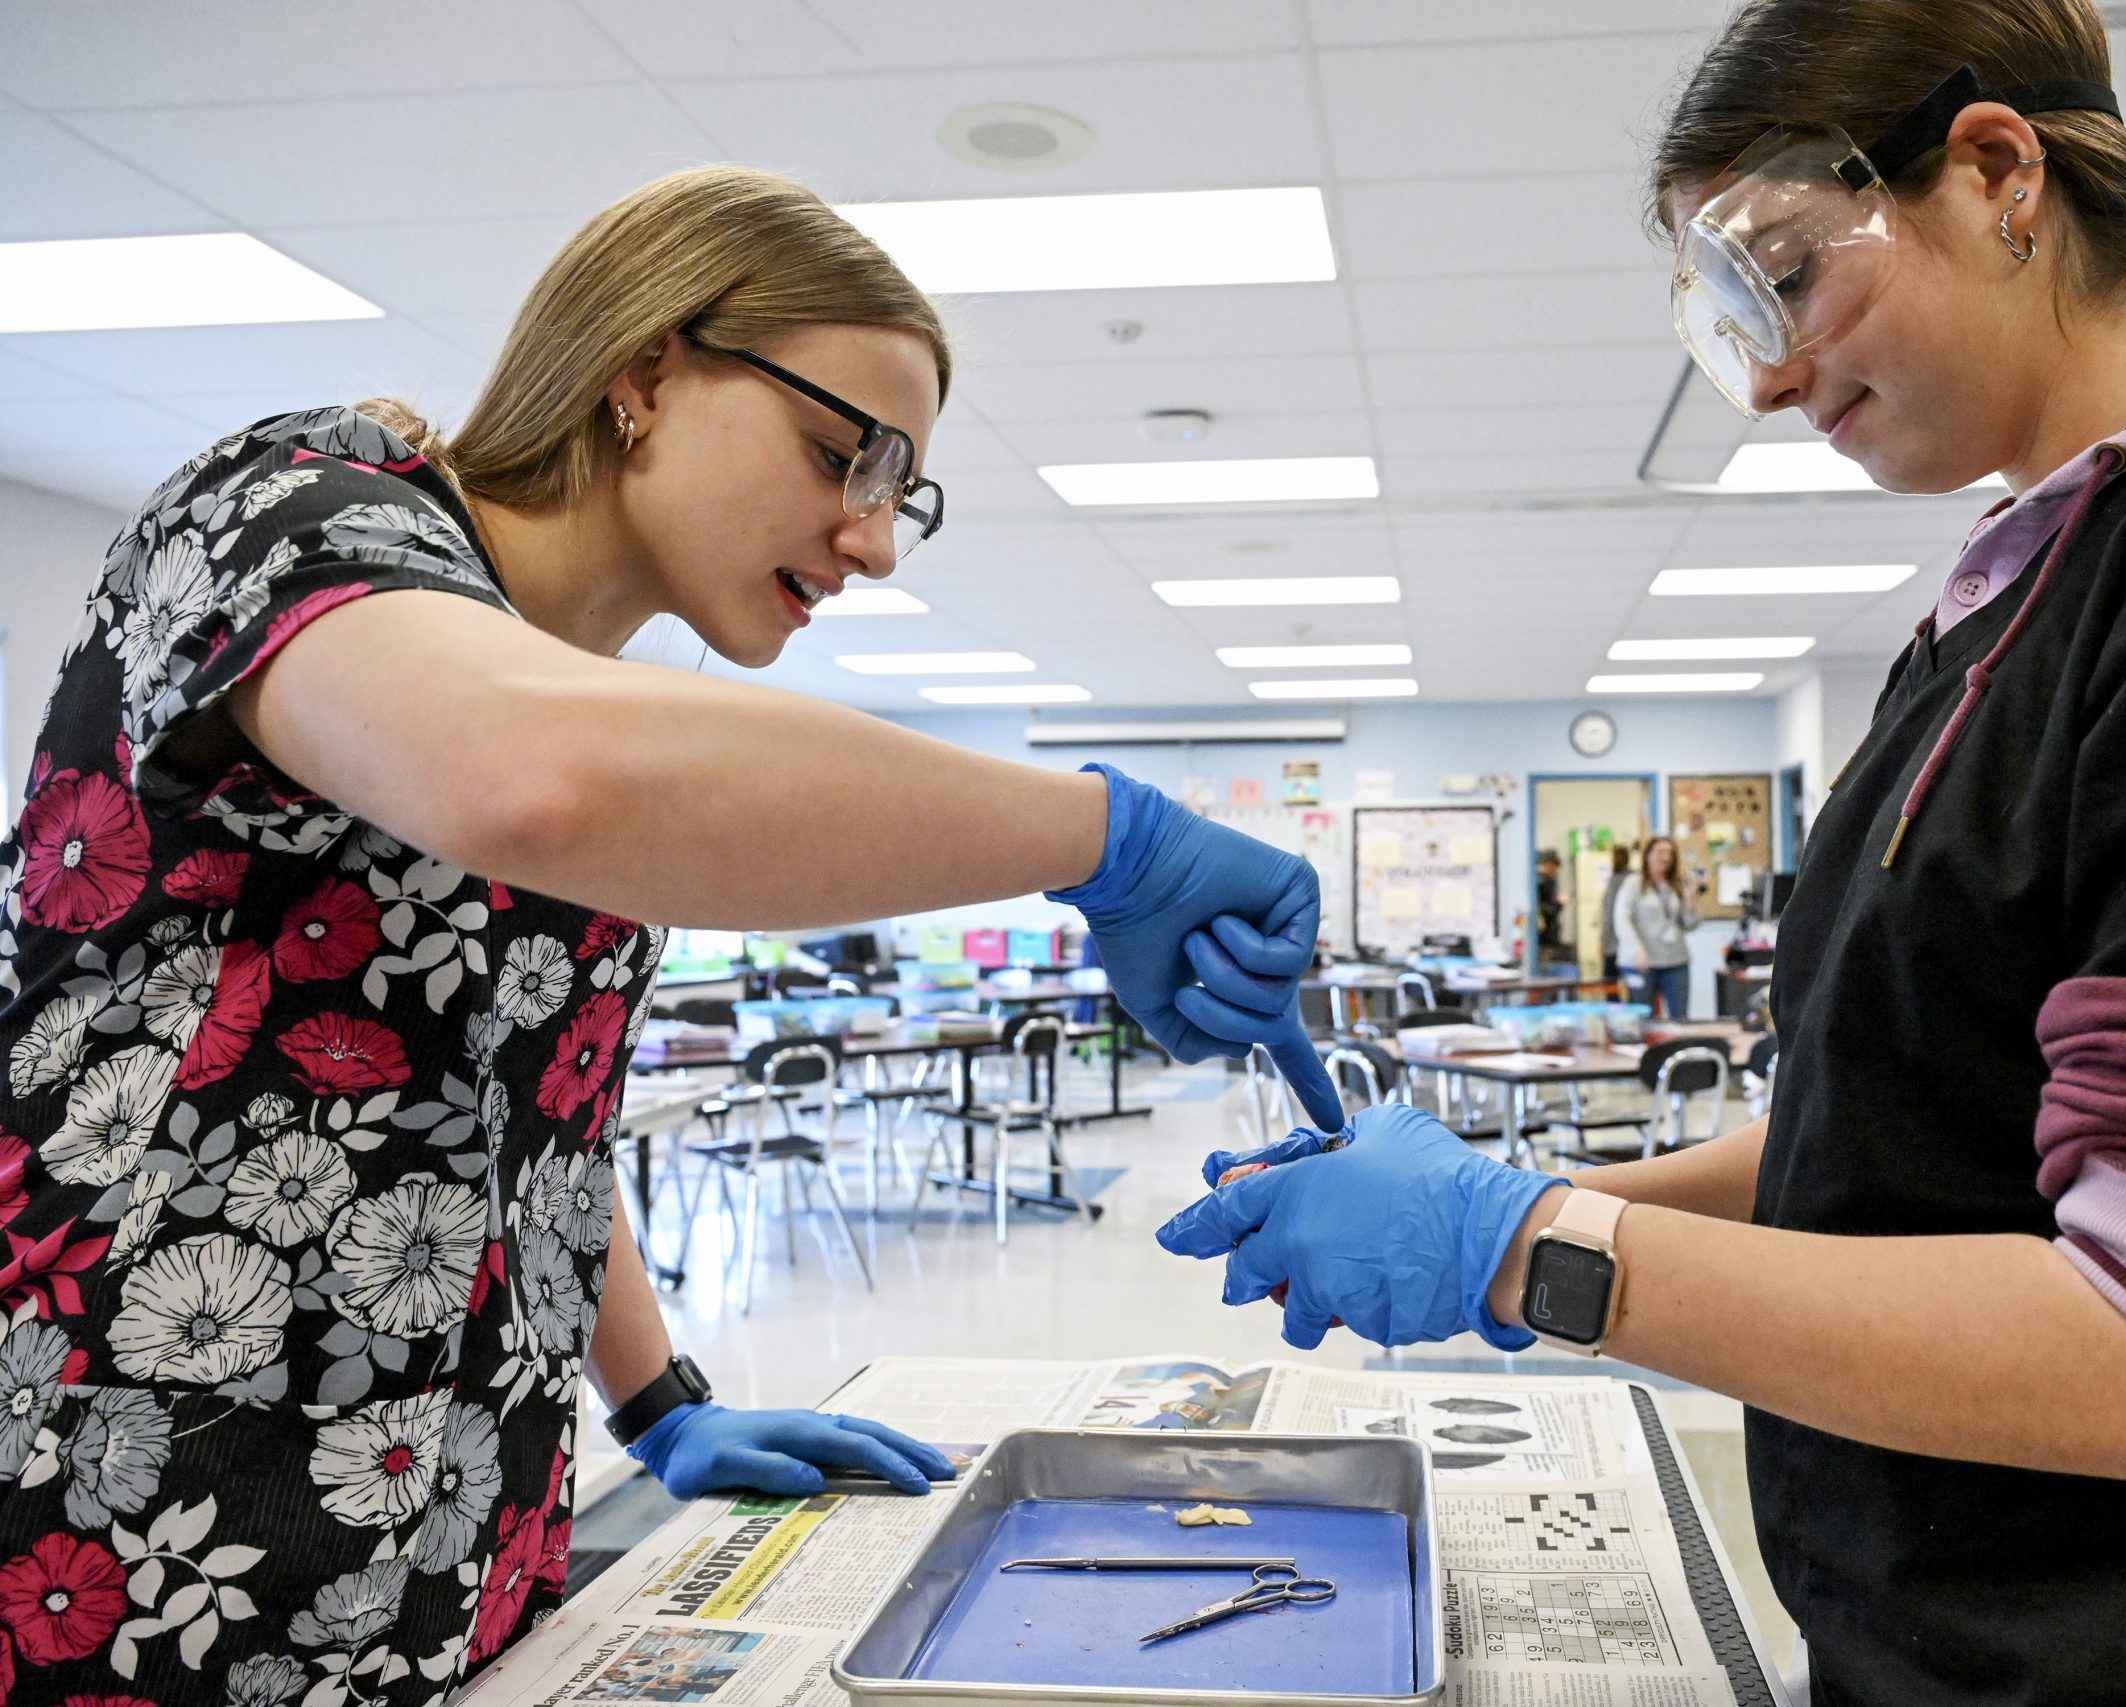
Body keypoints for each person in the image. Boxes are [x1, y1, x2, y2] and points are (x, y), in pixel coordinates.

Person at [1156, 2, 2126, 1701]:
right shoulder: (2017, 598)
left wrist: (1524, 1244)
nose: (1762, 375)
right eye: (1723, 315)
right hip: (1959, 1632)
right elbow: (1900, 1122)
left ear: (1994, 171)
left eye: (1788, 278)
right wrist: (1517, 1208)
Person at [0, 165, 1339, 1703]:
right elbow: (536, 773)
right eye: (847, 454)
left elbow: (531, 1109)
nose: (876, 536)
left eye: (906, 490)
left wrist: (659, 1399)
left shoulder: (575, 679)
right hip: (124, 1526)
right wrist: (1115, 842)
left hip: (450, 1537)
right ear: (644, 370)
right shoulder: (294, 507)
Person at [1612, 836, 1696, 1020]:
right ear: (1648, 856)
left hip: (1675, 961)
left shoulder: (1676, 884)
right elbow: (1621, 919)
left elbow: (1689, 925)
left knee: (1680, 1018)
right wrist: (1636, 950)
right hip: (1641, 962)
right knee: (1642, 1018)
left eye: (1670, 853)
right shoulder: (1634, 883)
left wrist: (1690, 903)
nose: (1666, 858)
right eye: (1660, 852)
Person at [1596, 844, 1632, 984]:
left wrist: (1602, 940)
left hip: (1614, 942)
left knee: (1609, 983)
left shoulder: (1615, 881)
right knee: (1633, 985)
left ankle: (1613, 1006)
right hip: (1632, 942)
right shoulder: (1636, 878)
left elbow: (1608, 915)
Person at [1533, 849, 1566, 960]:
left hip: (1546, 936)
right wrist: (1559, 903)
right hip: (1545, 937)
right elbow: (1548, 910)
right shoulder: (1544, 883)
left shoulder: (1542, 881)